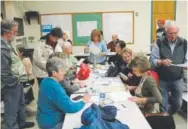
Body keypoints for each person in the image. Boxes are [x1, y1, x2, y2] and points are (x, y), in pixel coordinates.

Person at [37, 56, 90, 129]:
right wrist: (83, 101)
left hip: (43, 119)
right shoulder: (54, 87)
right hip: (52, 124)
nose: (64, 73)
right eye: (62, 71)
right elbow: (70, 107)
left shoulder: (45, 81)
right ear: (54, 73)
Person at [1, 19, 34, 129]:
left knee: (21, 104)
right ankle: (12, 126)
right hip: (10, 85)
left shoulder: (8, 44)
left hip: (17, 81)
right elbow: (4, 72)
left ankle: (22, 123)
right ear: (7, 32)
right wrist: (14, 82)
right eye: (15, 32)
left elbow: (11, 61)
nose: (17, 34)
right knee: (11, 110)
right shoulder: (1, 48)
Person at [150, 21, 187, 115]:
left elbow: (187, 59)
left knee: (178, 103)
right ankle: (165, 120)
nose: (173, 36)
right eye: (171, 33)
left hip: (177, 78)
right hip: (162, 79)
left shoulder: (184, 43)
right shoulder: (159, 42)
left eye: (175, 33)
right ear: (166, 32)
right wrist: (161, 62)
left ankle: (167, 115)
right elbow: (152, 60)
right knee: (163, 104)